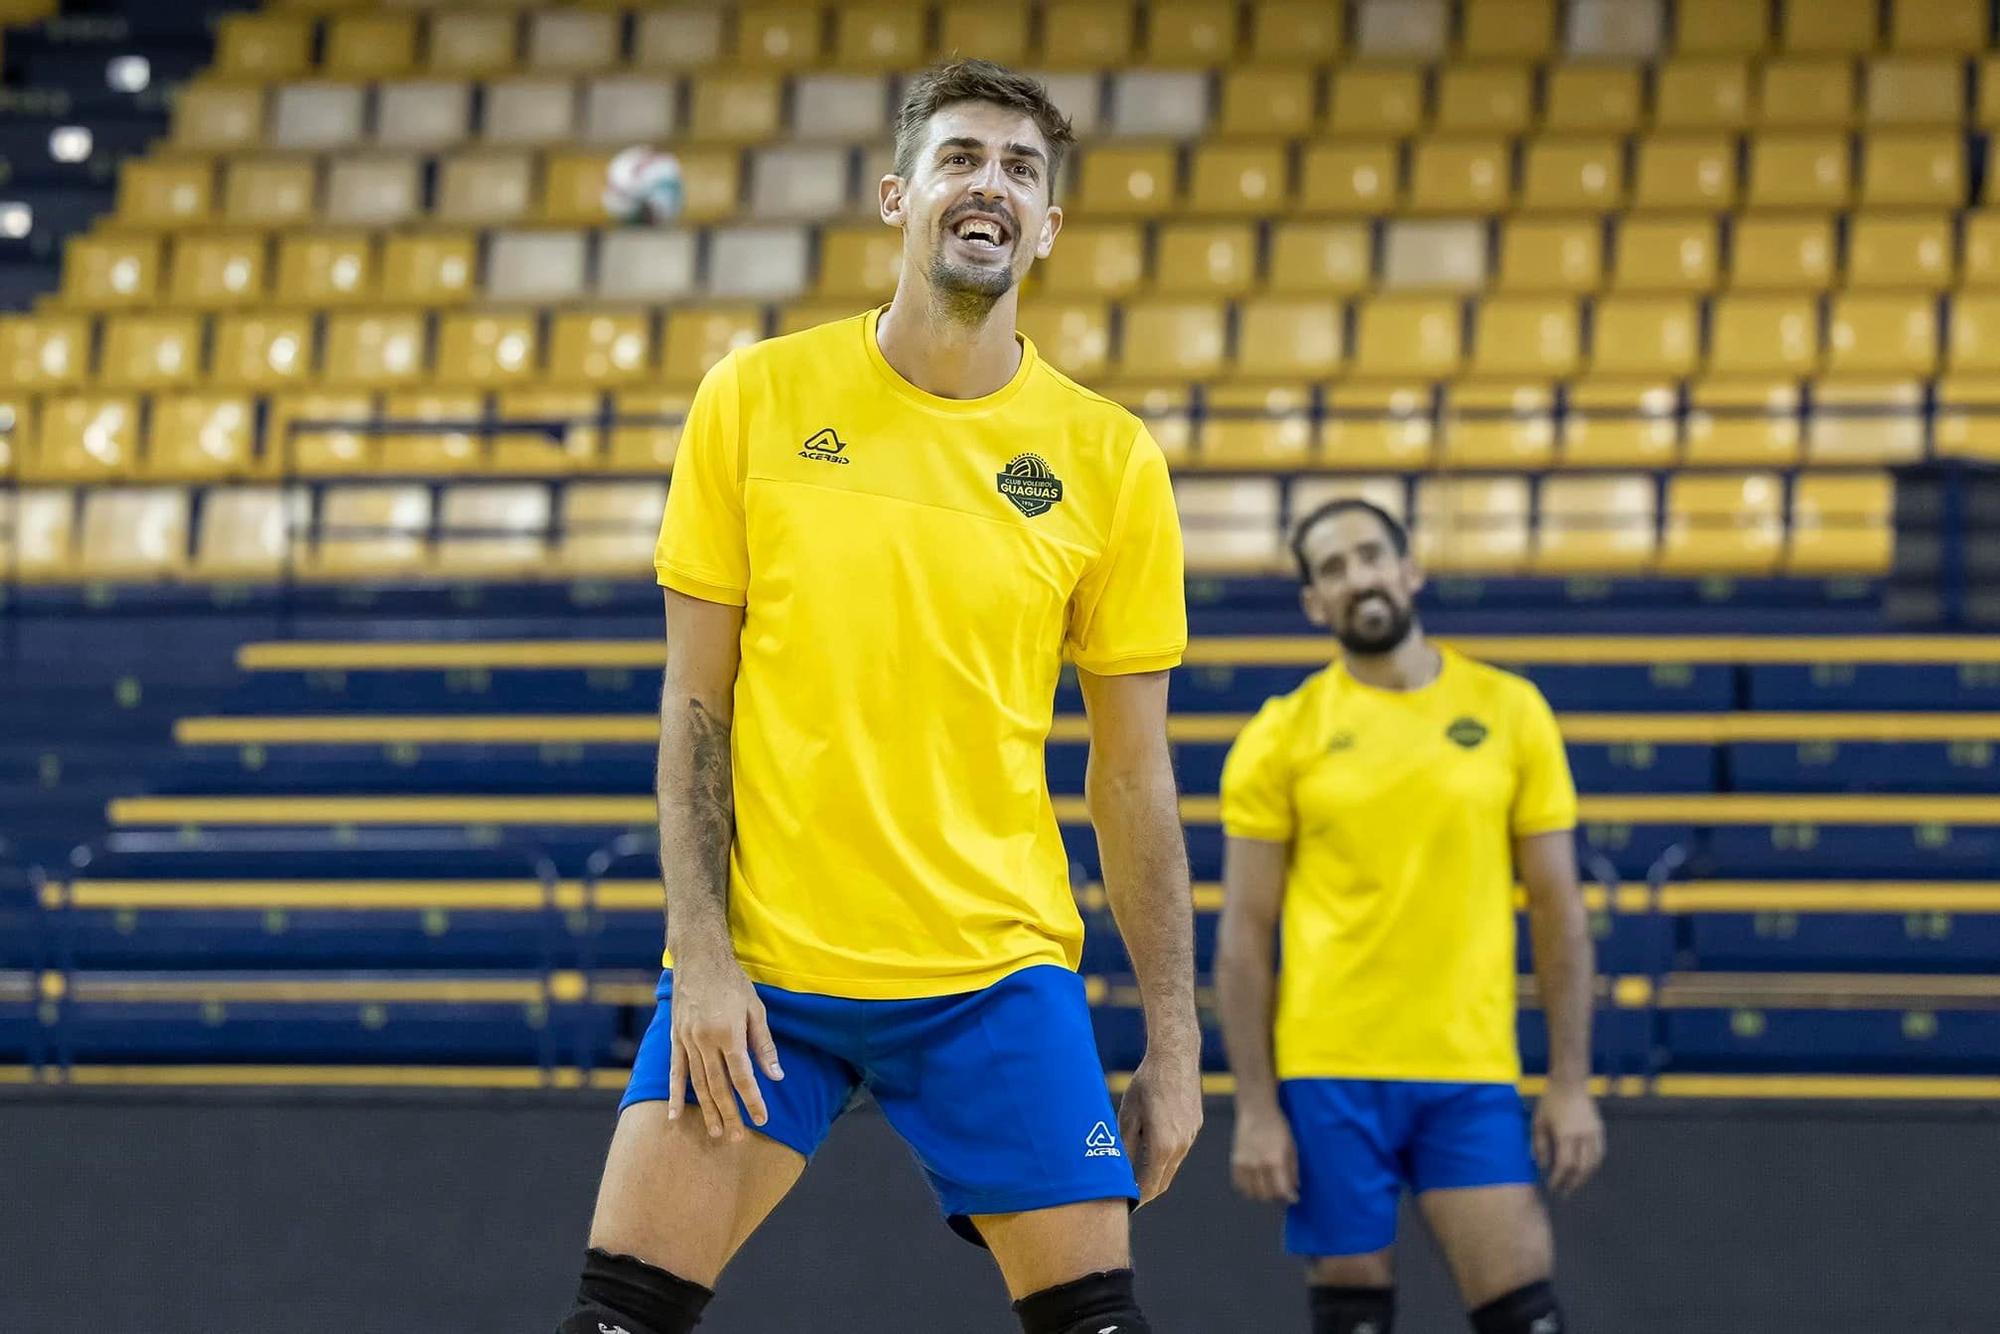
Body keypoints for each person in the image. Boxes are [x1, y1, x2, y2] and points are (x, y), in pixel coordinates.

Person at [555, 60, 1202, 1334]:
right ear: (898, 196)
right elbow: (694, 709)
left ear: (1048, 228)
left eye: (1022, 170)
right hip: (768, 971)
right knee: (611, 1323)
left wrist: (1173, 1041)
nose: (991, 185)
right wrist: (701, 957)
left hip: (991, 971)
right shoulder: (753, 397)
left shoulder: (1109, 458)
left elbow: (1131, 772)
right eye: (962, 157)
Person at [1214, 498, 1606, 1334]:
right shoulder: (1281, 736)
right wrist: (1254, 1105)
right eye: (1332, 568)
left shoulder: (1511, 711)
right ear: (1315, 604)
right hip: (1328, 1068)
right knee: (1352, 1317)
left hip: (1467, 1068)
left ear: (1410, 569)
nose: (1357, 577)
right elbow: (1244, 936)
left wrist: (1570, 1082)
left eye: (1370, 555)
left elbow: (1560, 914)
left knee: (1523, 1310)